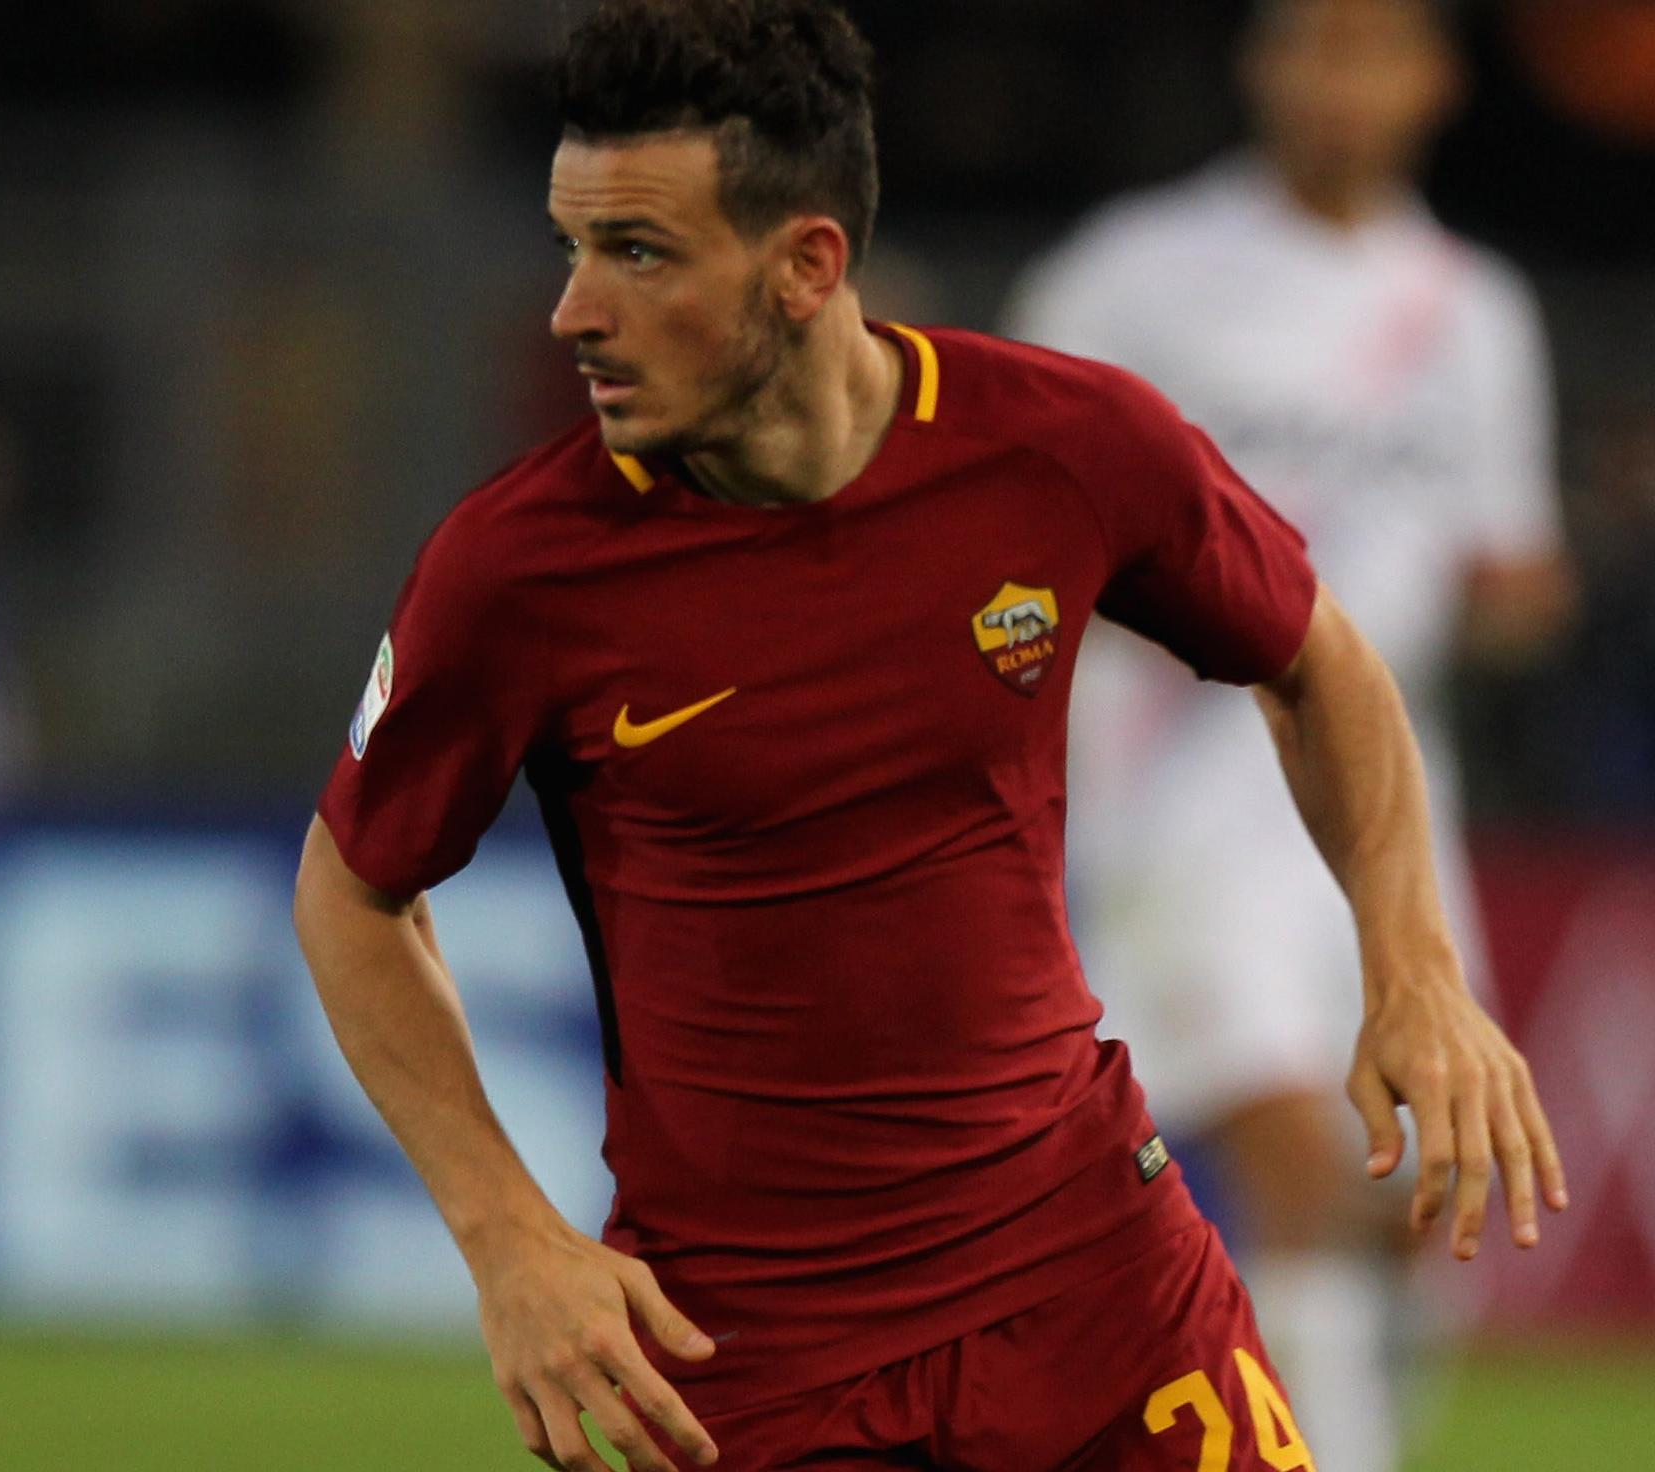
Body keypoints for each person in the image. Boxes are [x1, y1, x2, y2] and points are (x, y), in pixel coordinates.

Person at [292, 4, 1565, 1470]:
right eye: (574, 247)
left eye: (638, 253)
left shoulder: (1062, 449)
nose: (576, 309)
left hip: (1098, 1277)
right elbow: (354, 888)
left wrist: (1413, 976)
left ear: (806, 264)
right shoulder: (520, 569)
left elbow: (1322, 660)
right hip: (748, 1351)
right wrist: (507, 1237)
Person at [1006, 3, 1575, 1469]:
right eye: (1310, 42)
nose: (1338, 80)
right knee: (1292, 1160)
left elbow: (1509, 568)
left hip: (1386, 793)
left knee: (1433, 1188)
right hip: (1183, 776)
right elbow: (1002, 499)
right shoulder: (1135, 274)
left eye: (1372, 46)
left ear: (1434, 81)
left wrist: (1532, 593)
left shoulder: (1472, 311)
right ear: (1259, 64)